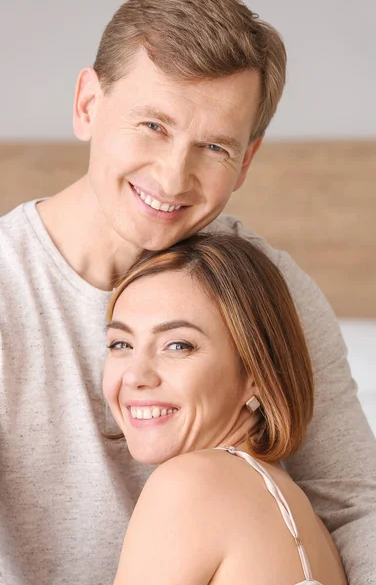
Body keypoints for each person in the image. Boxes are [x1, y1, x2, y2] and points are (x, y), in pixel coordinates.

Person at [0, 0, 376, 584]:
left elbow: (358, 506)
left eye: (214, 146)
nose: (172, 175)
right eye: (153, 125)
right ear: (87, 105)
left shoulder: (268, 289)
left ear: (247, 159)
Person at [103, 232, 347, 585]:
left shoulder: (190, 486)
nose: (135, 376)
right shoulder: (300, 514)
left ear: (256, 371)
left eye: (178, 345)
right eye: (121, 343)